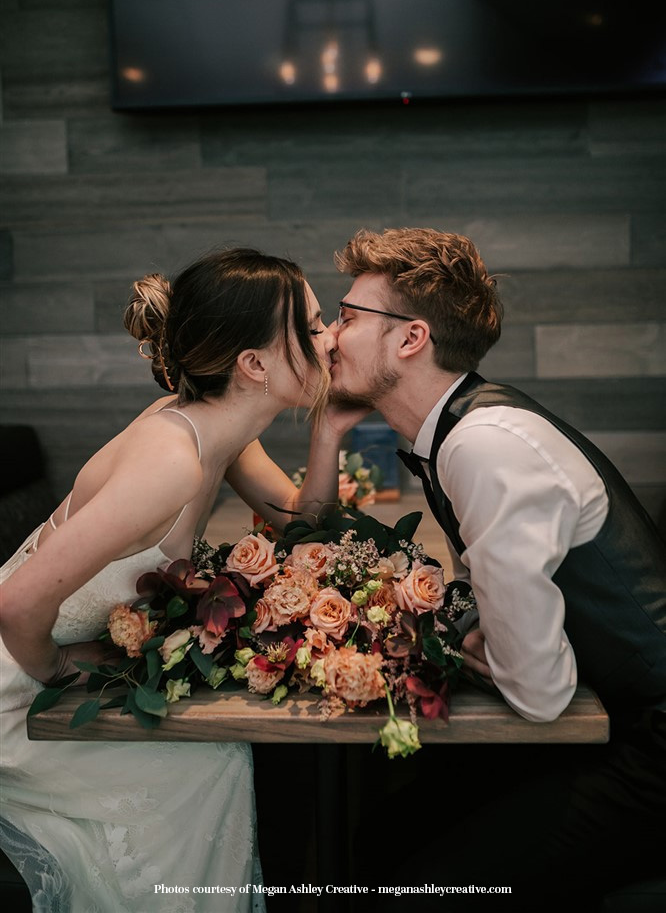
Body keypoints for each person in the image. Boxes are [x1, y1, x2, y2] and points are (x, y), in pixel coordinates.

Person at [0, 247, 359, 913]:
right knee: (210, 762)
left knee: (218, 751)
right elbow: (16, 601)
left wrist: (330, 425)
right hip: (12, 693)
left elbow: (304, 525)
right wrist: (69, 674)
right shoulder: (171, 462)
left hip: (34, 665)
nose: (333, 336)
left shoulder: (218, 432)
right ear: (253, 365)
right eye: (313, 326)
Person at [331, 227, 666, 908]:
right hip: (607, 718)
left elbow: (540, 694)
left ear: (409, 338)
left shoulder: (482, 443)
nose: (328, 336)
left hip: (651, 744)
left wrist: (499, 646)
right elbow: (498, 603)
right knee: (383, 833)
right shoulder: (459, 429)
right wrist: (488, 630)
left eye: (345, 317)